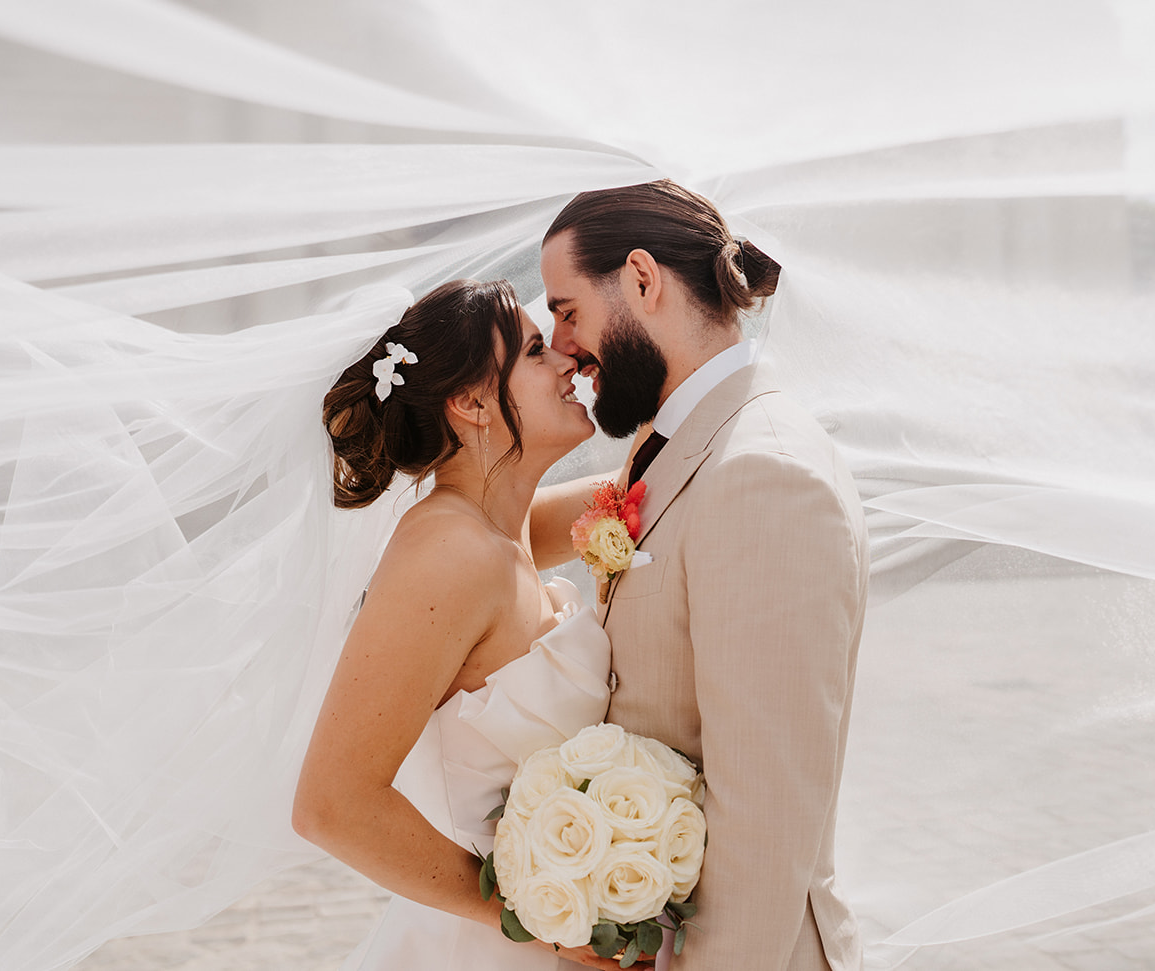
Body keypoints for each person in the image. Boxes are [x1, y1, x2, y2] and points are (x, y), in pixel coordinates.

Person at [536, 180, 870, 971]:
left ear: (644, 280)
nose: (559, 345)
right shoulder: (677, 442)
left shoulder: (763, 475)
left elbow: (766, 819)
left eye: (567, 309)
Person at [291, 278, 627, 971]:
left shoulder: (503, 534)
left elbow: (643, 490)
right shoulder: (448, 551)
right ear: (472, 402)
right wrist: (525, 915)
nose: (569, 361)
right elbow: (331, 803)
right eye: (538, 350)